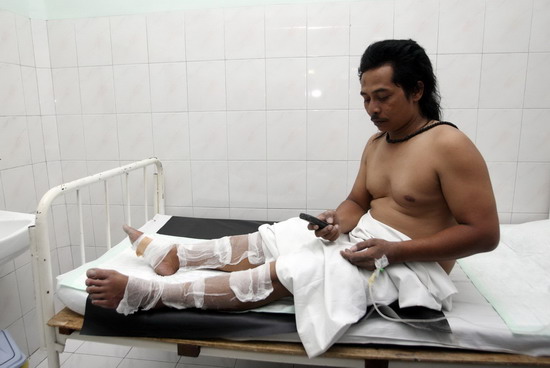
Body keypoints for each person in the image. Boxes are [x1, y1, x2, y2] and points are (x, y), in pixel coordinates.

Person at [85, 39, 499, 355]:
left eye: (382, 96)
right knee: (279, 235)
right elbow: (357, 201)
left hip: (412, 264)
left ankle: (147, 294)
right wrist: (337, 221)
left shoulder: (449, 144)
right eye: (365, 97)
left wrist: (393, 251)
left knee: (297, 267)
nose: (371, 108)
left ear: (416, 90)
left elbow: (484, 234)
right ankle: (179, 256)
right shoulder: (378, 143)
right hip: (370, 241)